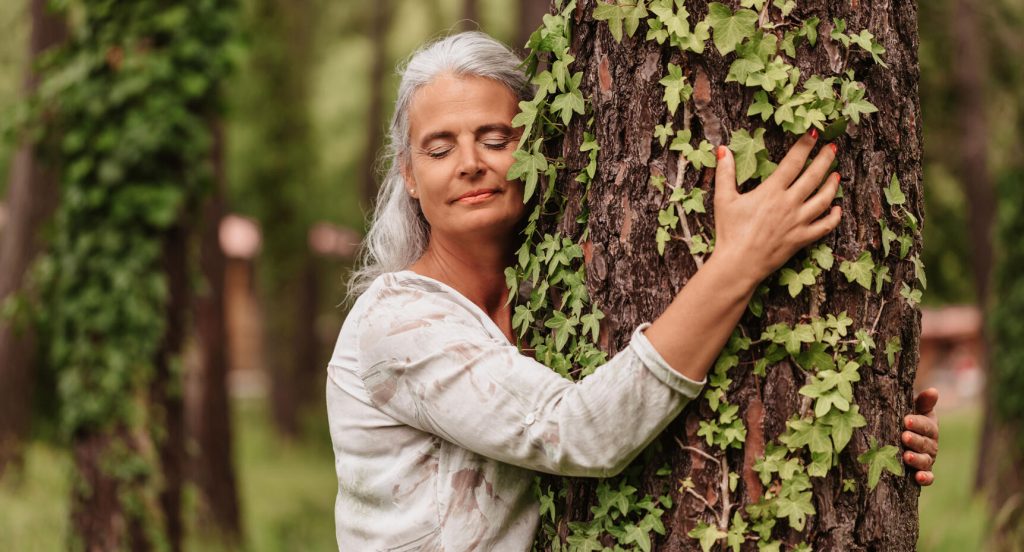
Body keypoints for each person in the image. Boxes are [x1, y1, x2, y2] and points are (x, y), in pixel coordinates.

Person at [326, 31, 940, 551]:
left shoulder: (552, 295)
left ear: (535, 149)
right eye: (439, 148)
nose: (470, 163)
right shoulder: (398, 322)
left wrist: (862, 426)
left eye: (495, 139)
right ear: (408, 174)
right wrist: (739, 261)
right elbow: (578, 432)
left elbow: (635, 389)